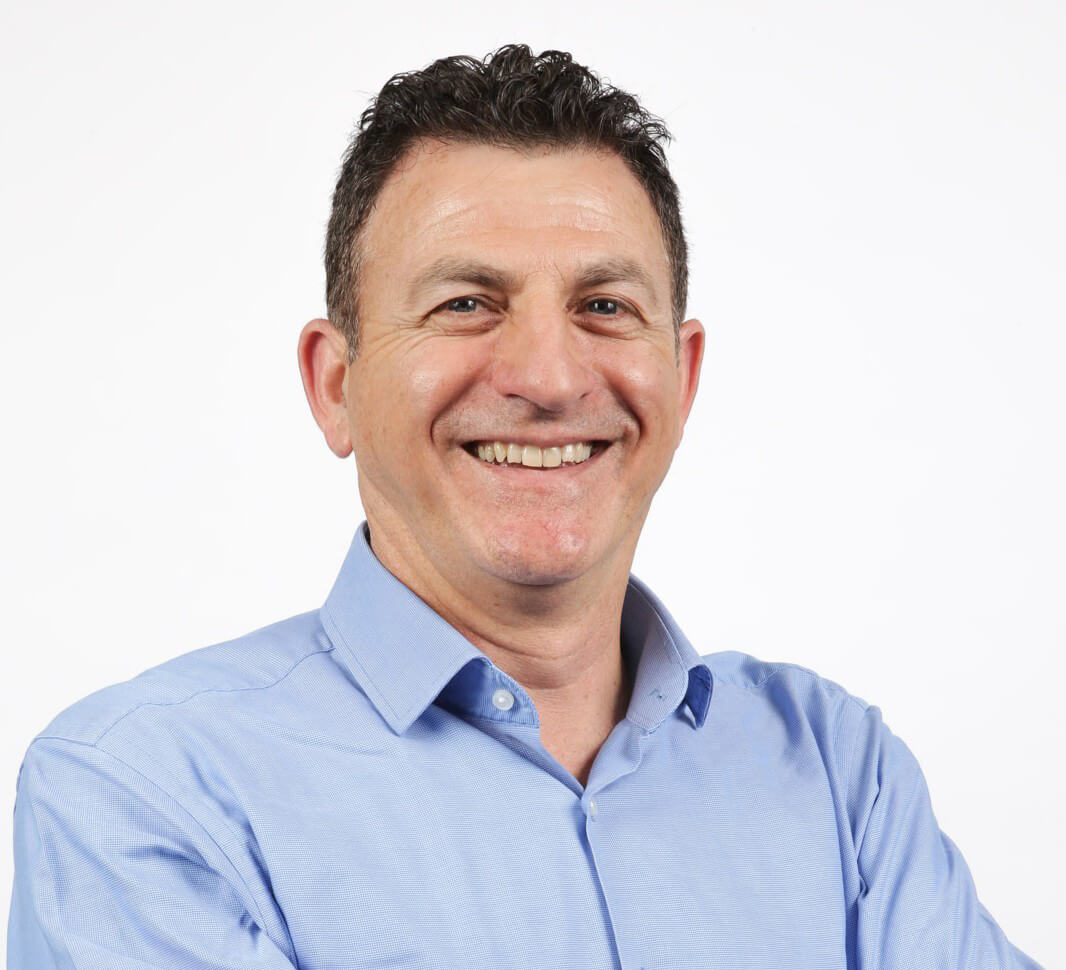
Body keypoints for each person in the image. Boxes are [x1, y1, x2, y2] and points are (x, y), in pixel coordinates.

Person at [7, 44, 1043, 970]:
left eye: (605, 306)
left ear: (681, 379)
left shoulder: (837, 774)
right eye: (466, 303)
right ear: (335, 385)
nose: (548, 376)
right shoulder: (145, 796)